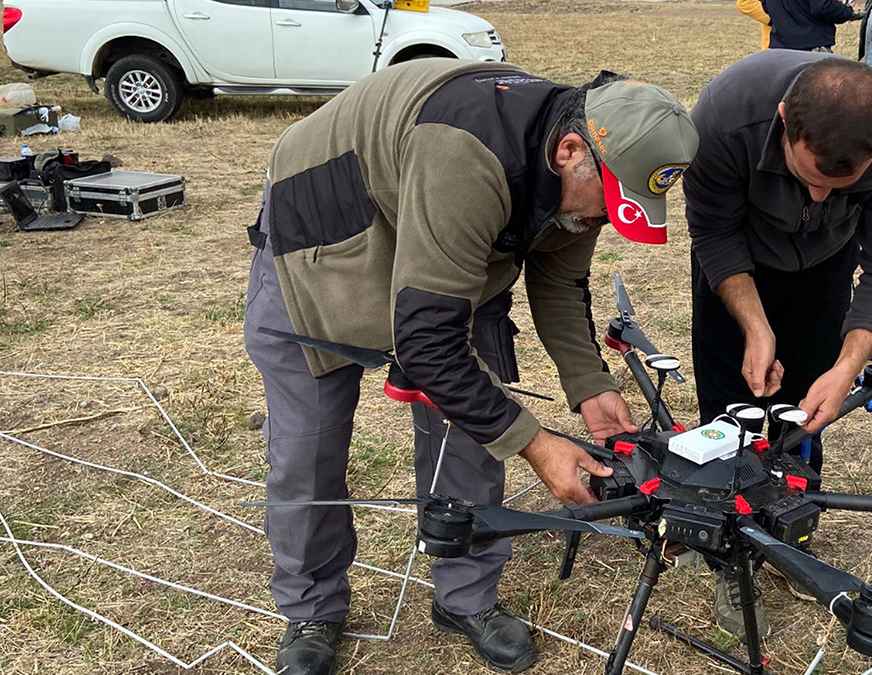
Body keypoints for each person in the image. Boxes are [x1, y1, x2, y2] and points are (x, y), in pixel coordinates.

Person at [243, 59, 698, 675]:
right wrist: (536, 444)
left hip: (448, 240)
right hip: (326, 239)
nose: (606, 221)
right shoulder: (467, 155)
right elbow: (428, 343)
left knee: (474, 440)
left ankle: (466, 598)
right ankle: (312, 608)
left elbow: (560, 278)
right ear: (569, 151)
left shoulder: (584, 163)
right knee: (308, 450)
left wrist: (589, 385)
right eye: (610, 205)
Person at [682, 50, 872, 636]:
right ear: (783, 119)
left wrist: (848, 366)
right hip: (736, 256)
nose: (819, 199)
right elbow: (712, 230)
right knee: (728, 403)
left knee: (805, 413)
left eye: (838, 187)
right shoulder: (724, 116)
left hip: (826, 264)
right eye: (808, 179)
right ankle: (726, 549)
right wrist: (755, 326)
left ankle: (794, 531)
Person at [762, 0, 861, 52]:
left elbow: (766, 6)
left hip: (779, 46)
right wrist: (846, 10)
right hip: (810, 46)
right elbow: (823, 7)